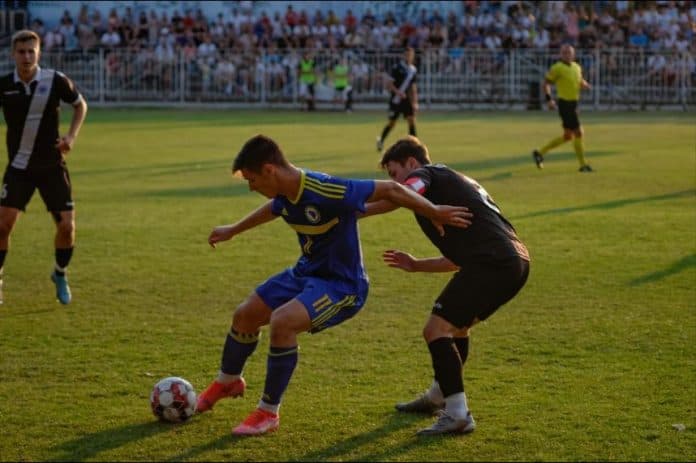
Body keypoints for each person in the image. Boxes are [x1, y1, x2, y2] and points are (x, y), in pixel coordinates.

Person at [196, 134, 472, 436]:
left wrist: (434, 212)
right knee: (245, 314)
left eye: (252, 180)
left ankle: (267, 413)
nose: (251, 188)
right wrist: (233, 230)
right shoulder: (285, 194)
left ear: (269, 170)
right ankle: (227, 380)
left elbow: (392, 189)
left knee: (283, 322)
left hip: (342, 285)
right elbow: (276, 208)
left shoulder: (325, 188)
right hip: (305, 272)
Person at [372, 136, 530, 435]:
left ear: (412, 163)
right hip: (514, 263)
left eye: (394, 173)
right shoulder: (451, 182)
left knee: (435, 330)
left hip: (494, 262)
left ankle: (458, 413)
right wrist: (417, 265)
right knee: (456, 328)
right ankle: (438, 396)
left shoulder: (425, 175)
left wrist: (354, 205)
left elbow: (406, 192)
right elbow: (457, 260)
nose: (392, 182)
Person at [0, 29, 88, 305]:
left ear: (39, 53)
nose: (26, 57)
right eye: (21, 51)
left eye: (31, 51)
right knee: (3, 226)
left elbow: (80, 105)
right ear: (13, 54)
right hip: (19, 167)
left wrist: (71, 137)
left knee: (66, 227)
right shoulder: (4, 85)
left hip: (52, 166)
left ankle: (59, 273)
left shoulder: (54, 81)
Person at [532, 44, 593, 172]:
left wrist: (585, 85)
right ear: (561, 54)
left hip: (574, 104)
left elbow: (580, 81)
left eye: (569, 52)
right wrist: (549, 99)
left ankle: (540, 153)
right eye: (564, 53)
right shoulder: (557, 68)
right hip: (565, 104)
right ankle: (583, 165)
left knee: (568, 136)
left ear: (573, 54)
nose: (567, 55)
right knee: (578, 132)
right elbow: (546, 83)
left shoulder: (577, 67)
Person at [376, 47, 419, 152]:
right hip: (396, 100)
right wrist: (398, 92)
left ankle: (414, 146)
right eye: (407, 54)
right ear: (404, 56)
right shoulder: (397, 68)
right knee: (392, 123)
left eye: (410, 55)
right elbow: (389, 84)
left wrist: (415, 102)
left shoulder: (413, 70)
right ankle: (381, 140)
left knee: (411, 121)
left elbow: (413, 87)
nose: (409, 57)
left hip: (407, 100)